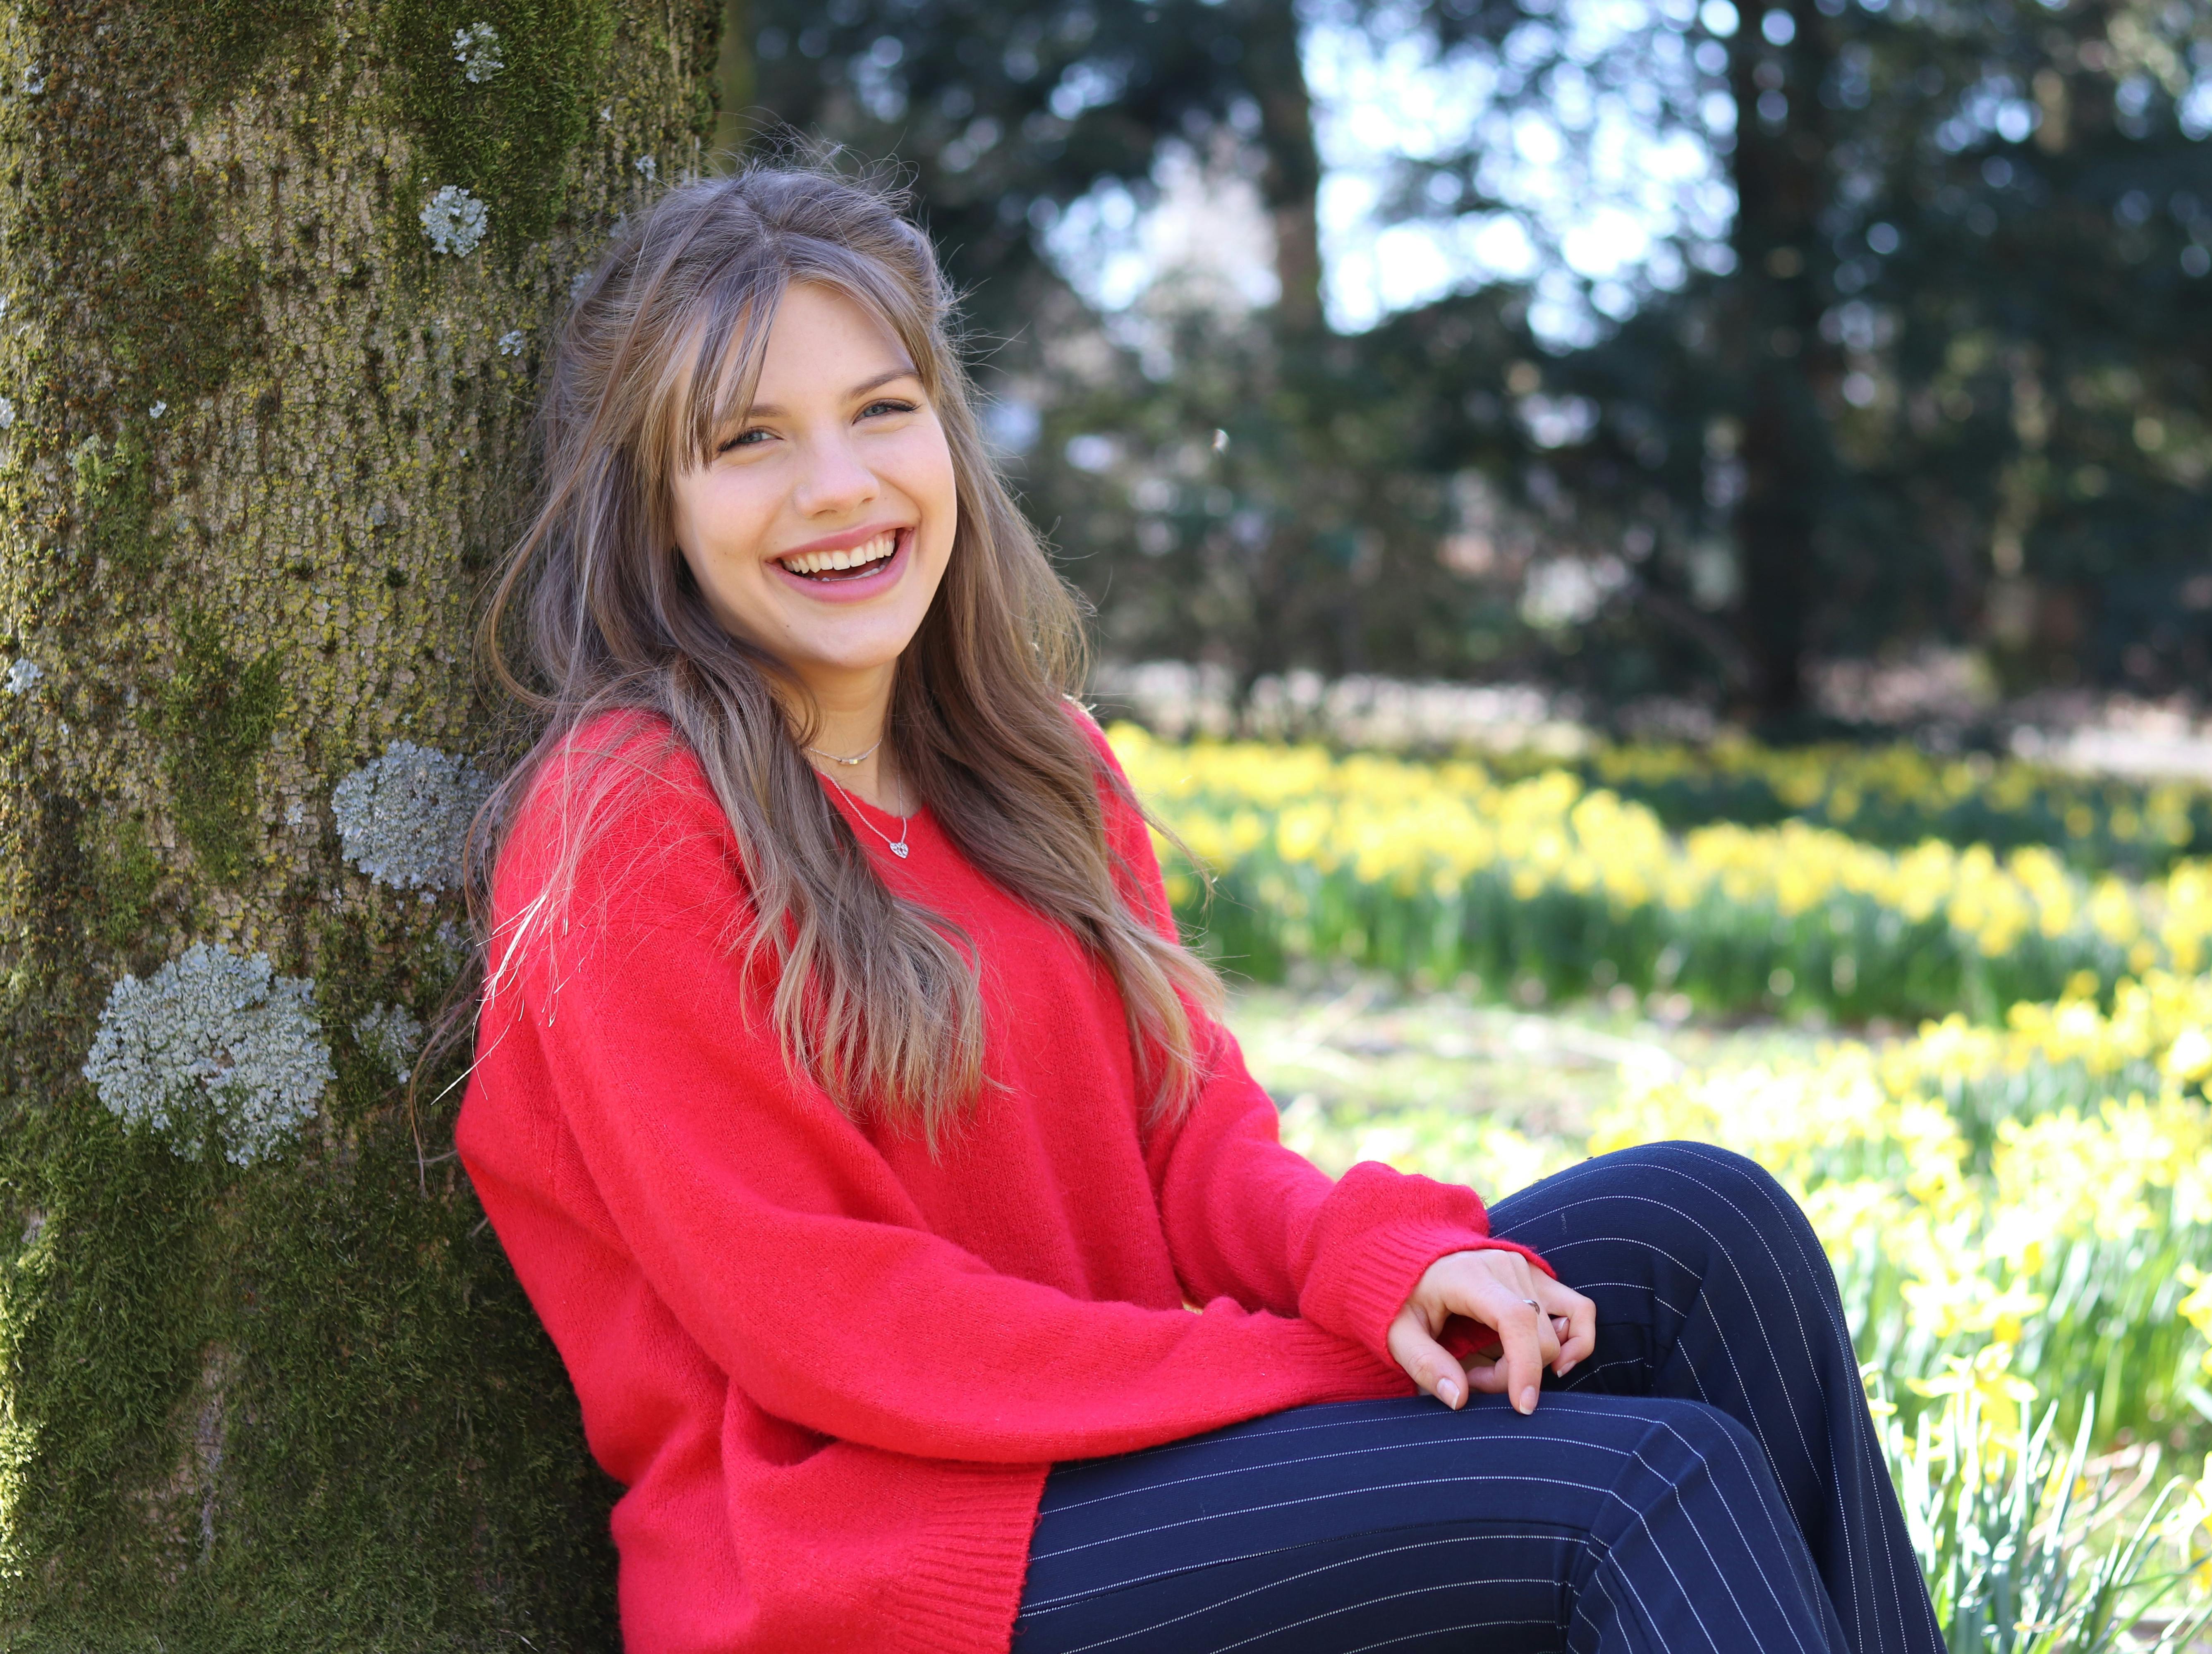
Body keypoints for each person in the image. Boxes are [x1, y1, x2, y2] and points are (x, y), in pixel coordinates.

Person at [452, 161, 1948, 1654]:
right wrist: (1317, 1360)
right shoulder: (632, 819)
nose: (838, 483)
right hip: (882, 1562)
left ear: (950, 437)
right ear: (655, 505)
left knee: (1706, 1225)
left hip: (1124, 1446)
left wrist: (1383, 1266)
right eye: (748, 440)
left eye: (883, 409)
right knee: (1645, 1483)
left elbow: (1200, 1148)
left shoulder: (1037, 761)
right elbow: (833, 1328)